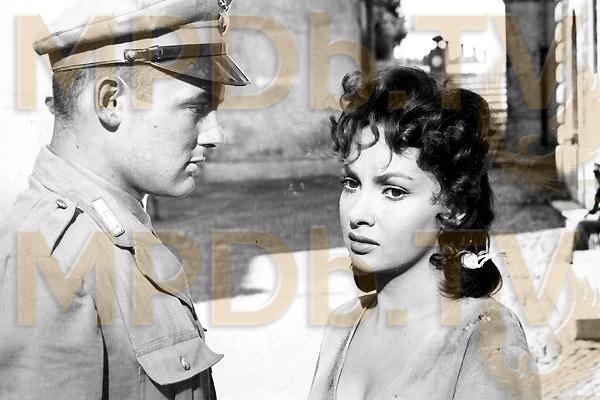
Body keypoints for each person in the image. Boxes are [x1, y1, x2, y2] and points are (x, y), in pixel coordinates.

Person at [0, 0, 249, 398]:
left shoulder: (111, 228)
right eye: (196, 108)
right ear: (111, 102)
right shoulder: (49, 258)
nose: (215, 135)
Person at [308, 67, 541, 399]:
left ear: (455, 206)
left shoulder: (484, 338)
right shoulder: (342, 326)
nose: (358, 214)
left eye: (394, 191)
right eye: (352, 183)